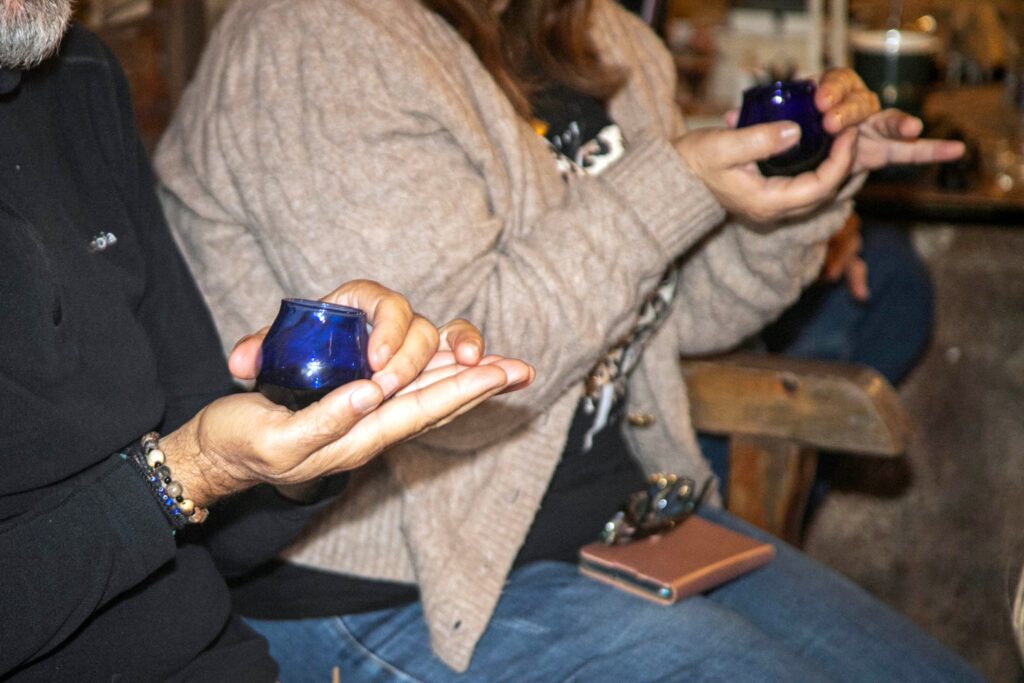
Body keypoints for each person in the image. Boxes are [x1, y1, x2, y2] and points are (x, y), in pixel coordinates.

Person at [155, 0, 978, 679]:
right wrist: (676, 184)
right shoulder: (314, 35)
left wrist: (792, 189)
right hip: (392, 588)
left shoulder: (610, 37)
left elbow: (675, 311)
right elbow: (450, 382)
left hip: (629, 529)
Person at [0, 2, 532, 680]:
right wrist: (184, 474)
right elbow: (178, 475)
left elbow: (220, 538)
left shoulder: (76, 75)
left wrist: (312, 426)